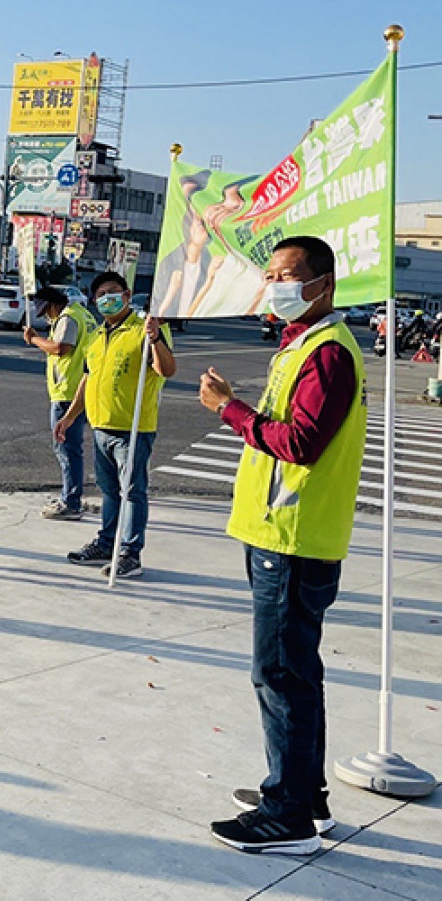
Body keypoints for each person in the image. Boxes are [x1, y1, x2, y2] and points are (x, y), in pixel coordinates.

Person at [199, 236, 366, 855]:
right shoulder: (303, 346)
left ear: (323, 284)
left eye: (288, 275)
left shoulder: (326, 353)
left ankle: (287, 813)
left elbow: (299, 442)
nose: (276, 286)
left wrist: (229, 410)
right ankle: (303, 795)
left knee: (279, 674)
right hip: (282, 534)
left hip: (292, 540)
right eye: (271, 275)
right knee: (296, 671)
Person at [54, 271, 176, 579]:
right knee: (109, 491)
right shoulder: (97, 336)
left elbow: (167, 369)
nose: (106, 299)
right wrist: (69, 416)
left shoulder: (145, 329)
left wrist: (156, 337)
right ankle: (107, 543)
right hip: (100, 427)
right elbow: (87, 378)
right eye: (100, 296)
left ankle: (130, 553)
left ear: (126, 294)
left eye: (112, 292)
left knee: (133, 491)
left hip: (133, 428)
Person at [23, 285, 96, 520]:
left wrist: (35, 339)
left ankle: (71, 501)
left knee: (66, 447)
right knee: (71, 448)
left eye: (46, 311)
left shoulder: (69, 318)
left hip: (68, 391)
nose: (46, 315)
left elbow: (61, 348)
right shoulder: (83, 313)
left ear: (55, 304)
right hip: (81, 388)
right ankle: (70, 496)